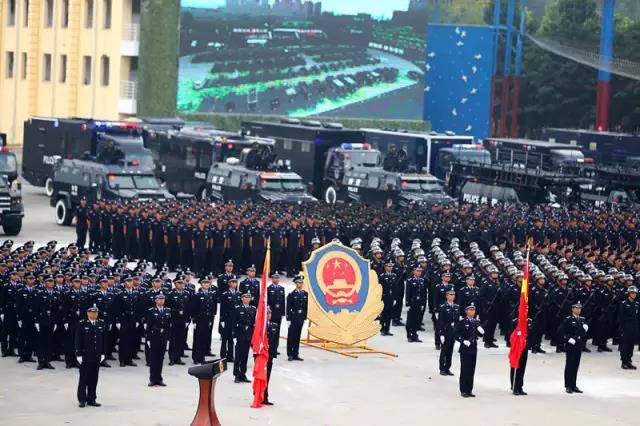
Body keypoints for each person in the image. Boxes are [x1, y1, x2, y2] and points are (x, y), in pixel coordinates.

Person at [75, 305, 105, 408]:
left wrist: (103, 353)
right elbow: (78, 340)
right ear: (88, 313)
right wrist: (78, 354)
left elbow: (103, 340)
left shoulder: (100, 323)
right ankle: (82, 399)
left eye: (96, 312)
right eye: (92, 312)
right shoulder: (82, 324)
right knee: (84, 378)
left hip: (96, 356)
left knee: (94, 378)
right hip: (85, 355)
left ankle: (91, 398)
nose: (94, 314)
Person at [455, 304, 484, 398]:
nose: (472, 312)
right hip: (465, 347)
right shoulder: (462, 322)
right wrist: (463, 340)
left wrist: (481, 331)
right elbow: (455, 333)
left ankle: (469, 389)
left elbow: (480, 335)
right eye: (470, 310)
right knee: (464, 369)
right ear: (466, 311)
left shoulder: (476, 322)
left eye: (473, 310)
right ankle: (463, 390)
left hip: (473, 347)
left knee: (471, 369)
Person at [559, 302, 587, 394]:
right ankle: (568, 385)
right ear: (573, 309)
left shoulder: (582, 320)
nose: (578, 310)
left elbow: (583, 334)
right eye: (576, 308)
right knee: (569, 365)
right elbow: (562, 331)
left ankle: (574, 385)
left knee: (576, 365)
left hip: (578, 344)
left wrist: (584, 330)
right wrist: (568, 339)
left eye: (580, 308)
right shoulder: (568, 319)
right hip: (571, 345)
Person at [146, 293, 171, 387]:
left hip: (163, 336)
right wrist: (148, 339)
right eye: (159, 299)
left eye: (163, 299)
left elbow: (168, 326)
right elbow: (148, 326)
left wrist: (168, 338)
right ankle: (152, 379)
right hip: (154, 336)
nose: (161, 300)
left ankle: (159, 378)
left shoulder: (168, 310)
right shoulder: (151, 311)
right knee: (153, 359)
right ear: (155, 300)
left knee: (161, 358)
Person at [234, 293, 256, 383]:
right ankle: (236, 375)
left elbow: (254, 323)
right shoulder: (237, 309)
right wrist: (234, 336)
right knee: (238, 356)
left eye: (249, 297)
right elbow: (234, 323)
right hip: (240, 332)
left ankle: (243, 374)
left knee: (245, 356)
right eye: (245, 297)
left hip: (248, 334)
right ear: (242, 298)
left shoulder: (253, 309)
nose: (247, 299)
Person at [437, 289, 459, 376]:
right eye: (450, 295)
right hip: (446, 331)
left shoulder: (457, 307)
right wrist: (441, 333)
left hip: (452, 332)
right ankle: (442, 368)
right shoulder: (443, 307)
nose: (452, 296)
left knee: (450, 351)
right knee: (444, 351)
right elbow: (440, 322)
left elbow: (457, 320)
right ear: (447, 296)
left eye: (453, 295)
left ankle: (447, 368)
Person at [286, 276, 307, 361]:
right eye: (298, 283)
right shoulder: (292, 295)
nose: (300, 284)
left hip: (300, 318)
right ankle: (290, 354)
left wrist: (304, 317)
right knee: (291, 336)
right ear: (295, 284)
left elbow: (306, 307)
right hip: (293, 318)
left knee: (298, 336)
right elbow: (288, 308)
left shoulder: (305, 294)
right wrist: (288, 319)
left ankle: (296, 353)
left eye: (301, 283)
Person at [510, 317, 532, 396]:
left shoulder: (529, 321)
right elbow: (511, 334)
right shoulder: (515, 321)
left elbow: (531, 333)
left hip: (525, 347)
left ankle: (520, 387)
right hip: (517, 347)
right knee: (515, 367)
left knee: (522, 367)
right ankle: (514, 386)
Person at [618, 286, 639, 370]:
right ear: (629, 294)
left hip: (634, 328)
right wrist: (621, 328)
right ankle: (624, 362)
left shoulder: (637, 304)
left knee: (631, 345)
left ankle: (629, 361)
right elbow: (620, 317)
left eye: (635, 293)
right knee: (624, 345)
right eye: (632, 293)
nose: (634, 295)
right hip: (626, 327)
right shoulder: (623, 304)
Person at [264, 308, 279, 406]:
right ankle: (258, 395)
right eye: (267, 313)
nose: (269, 315)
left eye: (270, 313)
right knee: (261, 376)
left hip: (270, 355)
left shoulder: (274, 325)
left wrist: (273, 353)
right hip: (262, 355)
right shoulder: (260, 326)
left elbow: (275, 341)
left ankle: (265, 396)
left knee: (267, 376)